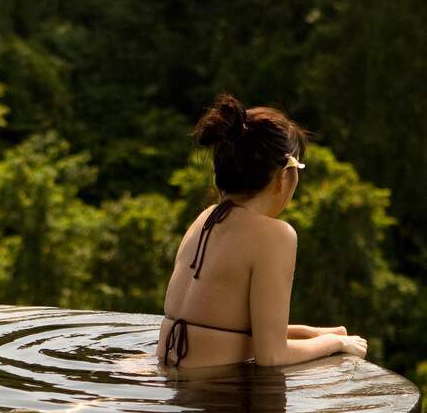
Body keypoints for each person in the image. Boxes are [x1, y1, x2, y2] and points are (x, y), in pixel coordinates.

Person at [157, 93, 371, 371]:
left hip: (170, 374)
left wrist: (312, 333)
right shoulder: (275, 236)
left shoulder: (205, 219)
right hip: (214, 391)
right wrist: (337, 344)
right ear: (284, 177)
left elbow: (224, 326)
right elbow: (272, 355)